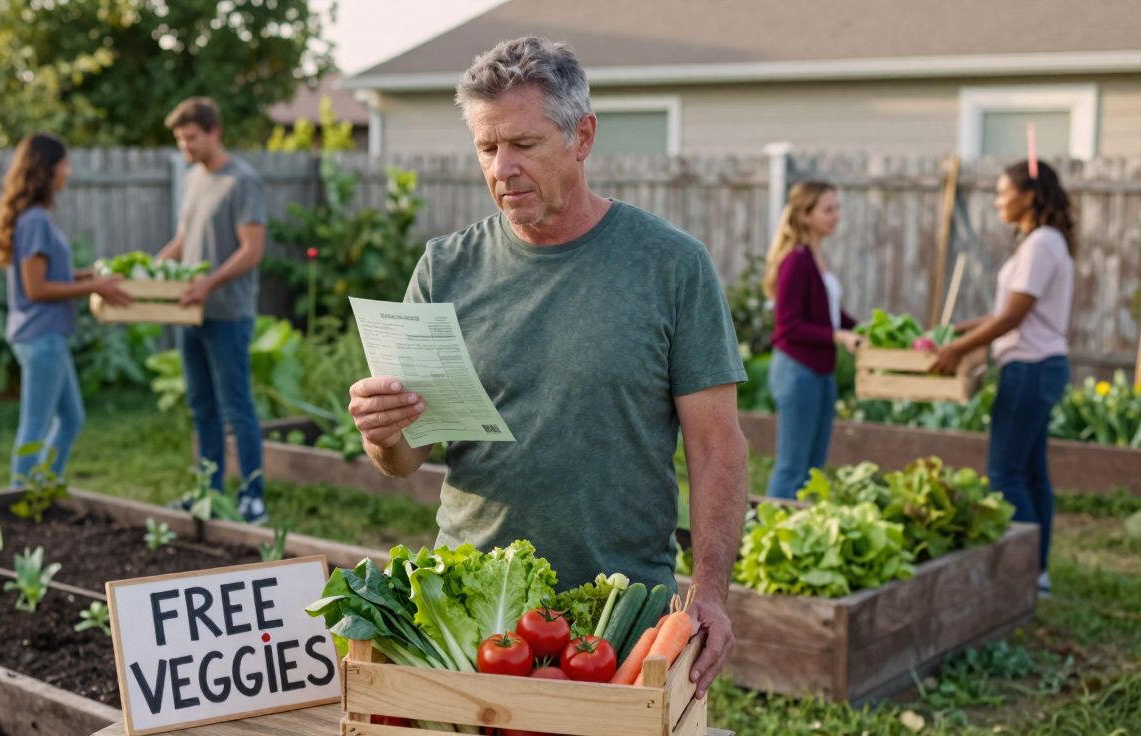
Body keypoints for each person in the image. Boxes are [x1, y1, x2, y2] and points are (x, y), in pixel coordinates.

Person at [346, 36, 749, 697]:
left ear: (581, 136)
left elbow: (717, 445)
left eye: (523, 145)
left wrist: (709, 593)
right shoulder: (446, 269)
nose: (501, 167)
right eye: (486, 147)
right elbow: (404, 461)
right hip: (476, 606)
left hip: (621, 616)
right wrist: (382, 433)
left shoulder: (671, 266)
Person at [931, 159, 1074, 595]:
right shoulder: (1042, 241)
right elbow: (1005, 313)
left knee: (1006, 474)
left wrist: (957, 349)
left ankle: (1021, 576)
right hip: (1042, 365)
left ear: (1029, 195)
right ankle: (1037, 573)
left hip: (1029, 367)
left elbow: (1013, 316)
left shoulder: (1041, 244)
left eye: (1002, 192)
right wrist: (955, 331)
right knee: (1030, 473)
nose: (997, 200)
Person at [0, 132, 131, 485]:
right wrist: (94, 287)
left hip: (45, 336)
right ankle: (20, 497)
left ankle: (44, 488)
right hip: (42, 337)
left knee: (71, 419)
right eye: (63, 164)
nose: (68, 172)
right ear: (46, 170)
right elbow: (36, 288)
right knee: (35, 426)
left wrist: (86, 275)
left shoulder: (33, 217)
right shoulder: (36, 220)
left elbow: (44, 274)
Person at [157, 97, 269, 523]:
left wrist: (209, 282)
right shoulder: (191, 179)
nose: (185, 146)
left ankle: (253, 496)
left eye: (191, 138)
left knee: (236, 405)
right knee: (201, 405)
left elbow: (252, 250)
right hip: (191, 313)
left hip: (228, 313)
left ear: (214, 132)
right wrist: (152, 267)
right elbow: (185, 238)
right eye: (181, 139)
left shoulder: (242, 181)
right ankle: (209, 489)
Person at [761, 181, 860, 499]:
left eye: (837, 208)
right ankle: (766, 536)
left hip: (821, 372)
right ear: (805, 215)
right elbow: (788, 327)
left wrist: (861, 329)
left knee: (813, 468)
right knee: (791, 467)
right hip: (797, 371)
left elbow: (830, 314)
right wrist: (837, 336)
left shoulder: (817, 258)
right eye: (827, 210)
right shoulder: (795, 261)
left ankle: (800, 538)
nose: (836, 216)